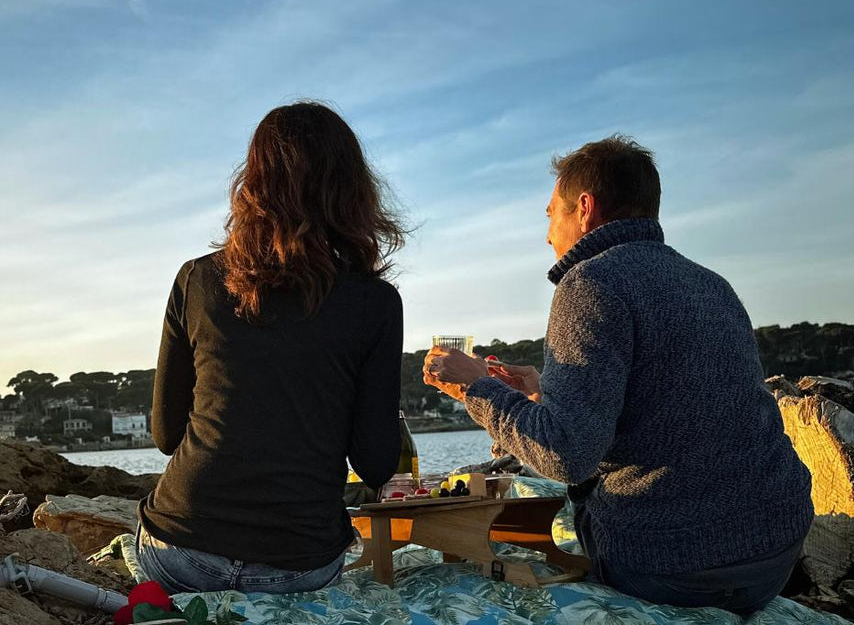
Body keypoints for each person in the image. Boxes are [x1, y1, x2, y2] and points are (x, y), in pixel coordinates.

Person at [424, 136, 812, 614]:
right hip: (774, 552)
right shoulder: (712, 284)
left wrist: (474, 387)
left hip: (673, 564)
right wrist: (544, 392)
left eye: (550, 214)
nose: (547, 234)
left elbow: (566, 457)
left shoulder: (589, 282)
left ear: (583, 208)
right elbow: (671, 406)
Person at [137, 102, 407, 594]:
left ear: (253, 184)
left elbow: (165, 434)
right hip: (299, 564)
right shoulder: (376, 303)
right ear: (351, 191)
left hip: (181, 550)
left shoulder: (197, 279)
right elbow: (374, 463)